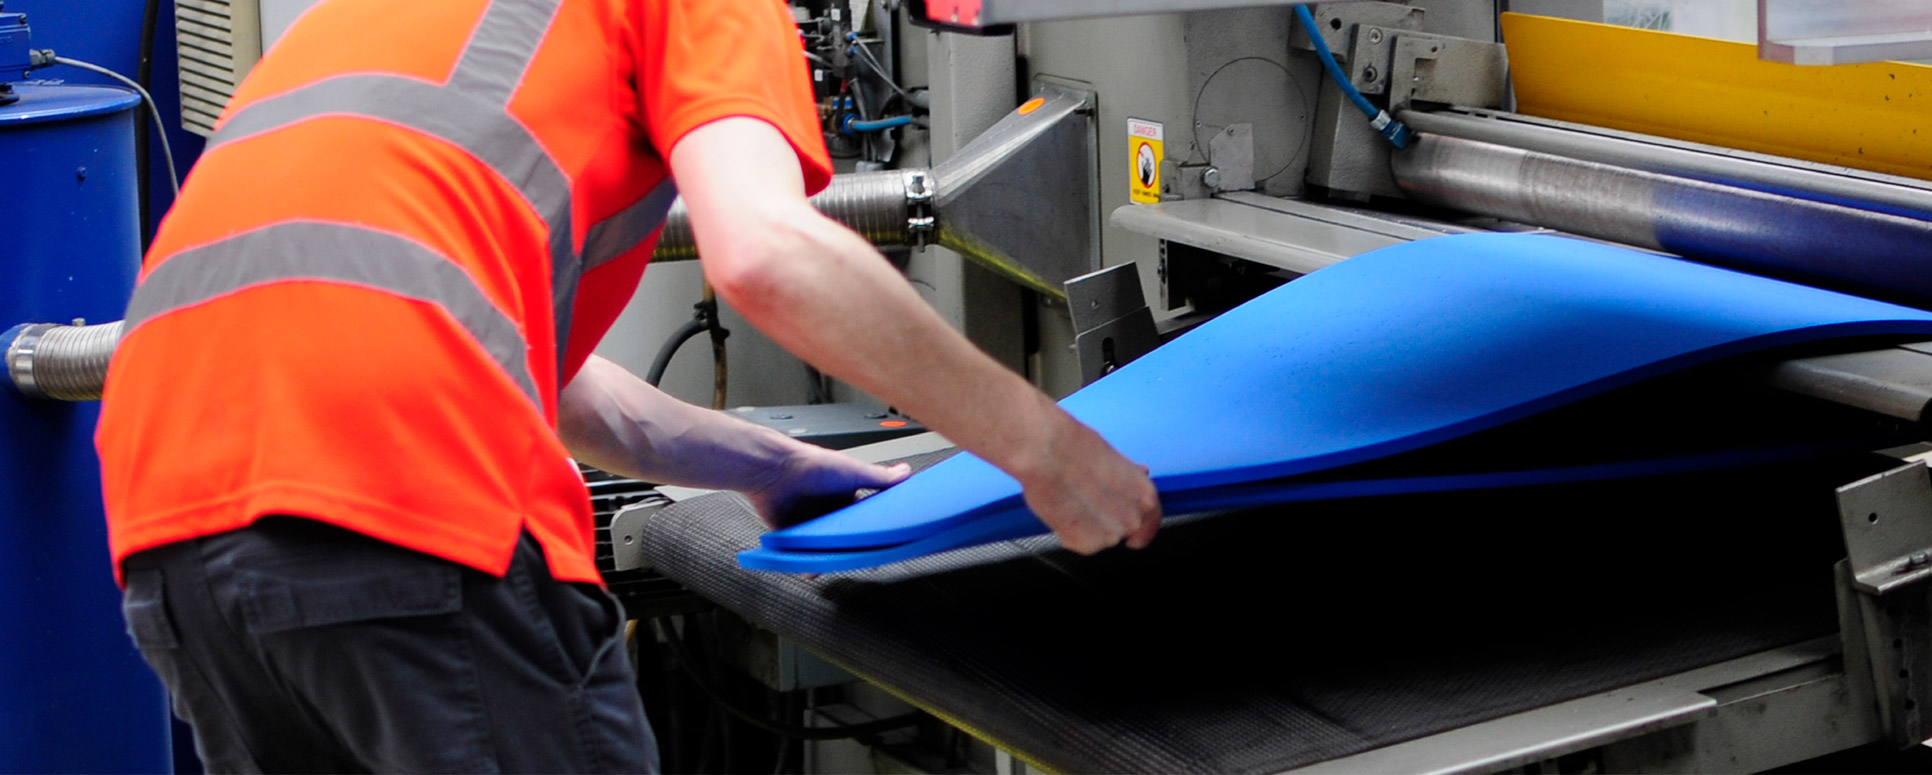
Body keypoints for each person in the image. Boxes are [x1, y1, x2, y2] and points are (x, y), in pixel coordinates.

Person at [93, 0, 1163, 770]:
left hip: (170, 523)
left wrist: (767, 464)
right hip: (401, 497)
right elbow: (767, 254)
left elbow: (532, 373)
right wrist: (1046, 447)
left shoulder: (380, 21)